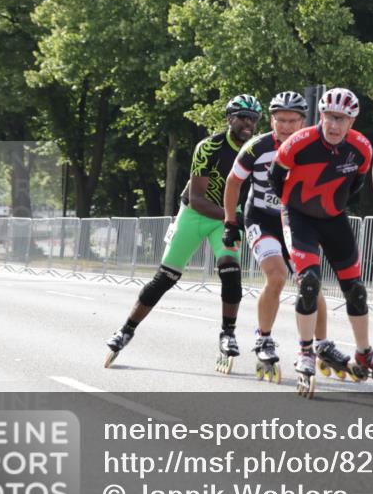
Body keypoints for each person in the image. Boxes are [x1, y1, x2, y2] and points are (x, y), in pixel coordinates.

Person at [105, 94, 260, 368]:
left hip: (227, 219)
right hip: (196, 214)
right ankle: (126, 330)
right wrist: (235, 218)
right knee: (166, 277)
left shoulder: (256, 152)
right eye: (243, 117)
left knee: (231, 272)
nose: (248, 123)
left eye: (253, 119)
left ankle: (228, 333)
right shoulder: (209, 147)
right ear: (229, 118)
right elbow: (198, 198)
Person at [269, 87, 373, 394]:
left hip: (334, 219)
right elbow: (276, 179)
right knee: (309, 283)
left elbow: (356, 184)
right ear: (320, 116)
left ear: (352, 121)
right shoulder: (298, 143)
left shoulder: (362, 149)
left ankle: (364, 351)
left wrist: (331, 206)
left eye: (341, 119)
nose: (334, 125)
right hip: (299, 217)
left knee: (355, 290)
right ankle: (305, 351)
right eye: (329, 117)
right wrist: (295, 207)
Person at [222, 91, 328, 380]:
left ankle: (320, 345)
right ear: (271, 120)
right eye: (280, 120)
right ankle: (264, 338)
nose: (285, 126)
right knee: (277, 276)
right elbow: (233, 183)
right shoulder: (257, 147)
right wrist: (231, 222)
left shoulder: (316, 148)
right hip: (262, 219)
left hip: (296, 221)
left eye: (292, 121)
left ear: (303, 121)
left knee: (311, 283)